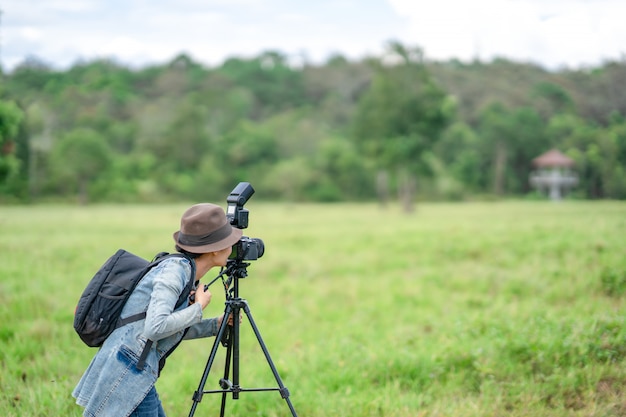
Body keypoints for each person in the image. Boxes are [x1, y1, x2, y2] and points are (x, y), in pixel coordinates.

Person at [73, 203, 242, 417]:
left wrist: (214, 325)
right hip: (127, 370)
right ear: (215, 248)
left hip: (134, 368)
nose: (233, 247)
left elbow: (166, 327)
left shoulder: (186, 271)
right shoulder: (175, 272)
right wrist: (198, 307)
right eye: (229, 242)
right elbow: (155, 328)